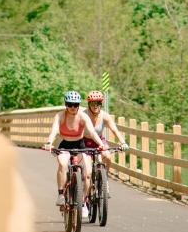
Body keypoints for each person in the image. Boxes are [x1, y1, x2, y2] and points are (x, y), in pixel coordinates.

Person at [43, 90, 106, 218]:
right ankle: (61, 194)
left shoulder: (83, 116)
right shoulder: (60, 116)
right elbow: (54, 130)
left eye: (76, 105)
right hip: (65, 144)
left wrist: (101, 144)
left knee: (87, 173)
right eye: (70, 104)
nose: (73, 107)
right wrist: (49, 142)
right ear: (66, 105)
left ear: (78, 105)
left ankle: (83, 202)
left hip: (79, 145)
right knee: (62, 163)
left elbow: (92, 132)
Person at [82, 90, 129, 173]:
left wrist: (123, 142)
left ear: (101, 104)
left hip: (99, 141)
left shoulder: (105, 116)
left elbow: (114, 130)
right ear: (89, 104)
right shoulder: (84, 115)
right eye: (93, 103)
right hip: (85, 142)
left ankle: (104, 177)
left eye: (98, 103)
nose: (95, 106)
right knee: (87, 169)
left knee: (108, 156)